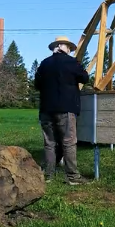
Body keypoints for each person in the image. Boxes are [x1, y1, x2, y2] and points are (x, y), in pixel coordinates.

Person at [34, 35, 88, 184]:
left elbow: (37, 84)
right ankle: (72, 176)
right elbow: (85, 78)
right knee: (69, 142)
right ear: (64, 47)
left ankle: (48, 175)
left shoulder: (44, 63)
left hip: (46, 109)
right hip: (66, 108)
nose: (70, 50)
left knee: (49, 143)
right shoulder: (72, 62)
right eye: (69, 47)